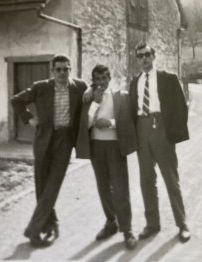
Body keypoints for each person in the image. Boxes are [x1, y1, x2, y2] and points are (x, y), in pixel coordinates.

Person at [11, 54, 87, 247]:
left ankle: (34, 230)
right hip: (43, 141)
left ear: (71, 69)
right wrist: (29, 119)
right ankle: (52, 224)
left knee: (52, 186)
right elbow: (16, 101)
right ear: (52, 71)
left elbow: (92, 100)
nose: (62, 73)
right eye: (58, 69)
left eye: (66, 69)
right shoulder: (41, 87)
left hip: (64, 141)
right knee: (42, 187)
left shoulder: (80, 87)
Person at [129, 42, 191, 243]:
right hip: (141, 128)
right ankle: (152, 224)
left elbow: (181, 107)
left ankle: (182, 224)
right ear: (137, 59)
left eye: (147, 54)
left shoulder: (168, 78)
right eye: (140, 56)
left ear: (154, 56)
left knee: (170, 178)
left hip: (161, 127)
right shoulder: (135, 81)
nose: (144, 59)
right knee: (146, 179)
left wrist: (174, 133)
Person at [76, 64, 138, 250]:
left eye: (104, 78)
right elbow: (85, 124)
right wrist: (94, 102)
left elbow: (126, 122)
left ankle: (127, 230)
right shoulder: (88, 98)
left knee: (120, 188)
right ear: (93, 80)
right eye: (97, 79)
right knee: (103, 188)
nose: (101, 82)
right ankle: (111, 222)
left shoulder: (120, 96)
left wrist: (110, 123)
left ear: (109, 78)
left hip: (115, 146)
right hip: (96, 146)